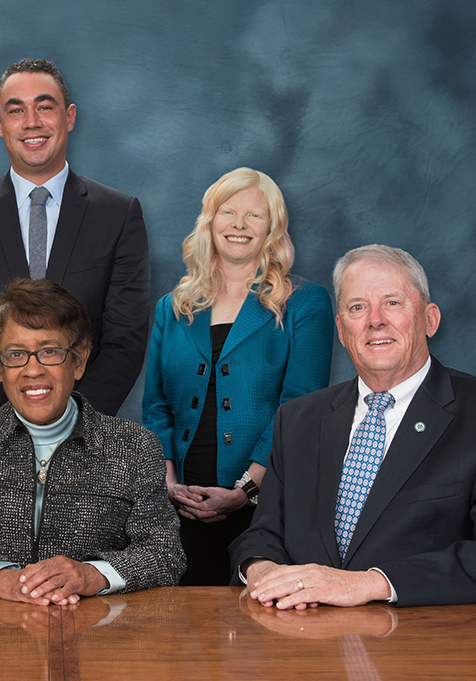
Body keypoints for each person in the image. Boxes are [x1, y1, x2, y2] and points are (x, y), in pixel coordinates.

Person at [230, 245, 476, 608]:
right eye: (357, 307)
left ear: (430, 319)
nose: (375, 320)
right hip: (303, 642)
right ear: (342, 330)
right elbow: (264, 533)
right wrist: (261, 569)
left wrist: (367, 584)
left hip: (422, 648)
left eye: (393, 303)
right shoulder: (296, 419)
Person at [0, 278, 185, 604]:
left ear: (79, 361)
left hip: (94, 634)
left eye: (50, 352)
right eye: (15, 354)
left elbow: (164, 553)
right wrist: (2, 579)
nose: (33, 370)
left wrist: (91, 575)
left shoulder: (134, 446)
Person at [0, 58, 150, 416]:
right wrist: (0, 434)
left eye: (45, 107)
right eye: (16, 111)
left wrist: (73, 428)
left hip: (84, 442)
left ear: (70, 116)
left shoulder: (119, 215)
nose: (32, 122)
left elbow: (125, 343)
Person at [143, 168, 333, 585]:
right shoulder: (172, 307)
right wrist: (169, 483)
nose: (240, 226)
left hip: (263, 504)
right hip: (180, 504)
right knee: (180, 633)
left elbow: (299, 406)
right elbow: (156, 407)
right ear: (210, 222)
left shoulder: (305, 302)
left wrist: (245, 490)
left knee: (251, 634)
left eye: (255, 216)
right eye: (228, 212)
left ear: (273, 228)